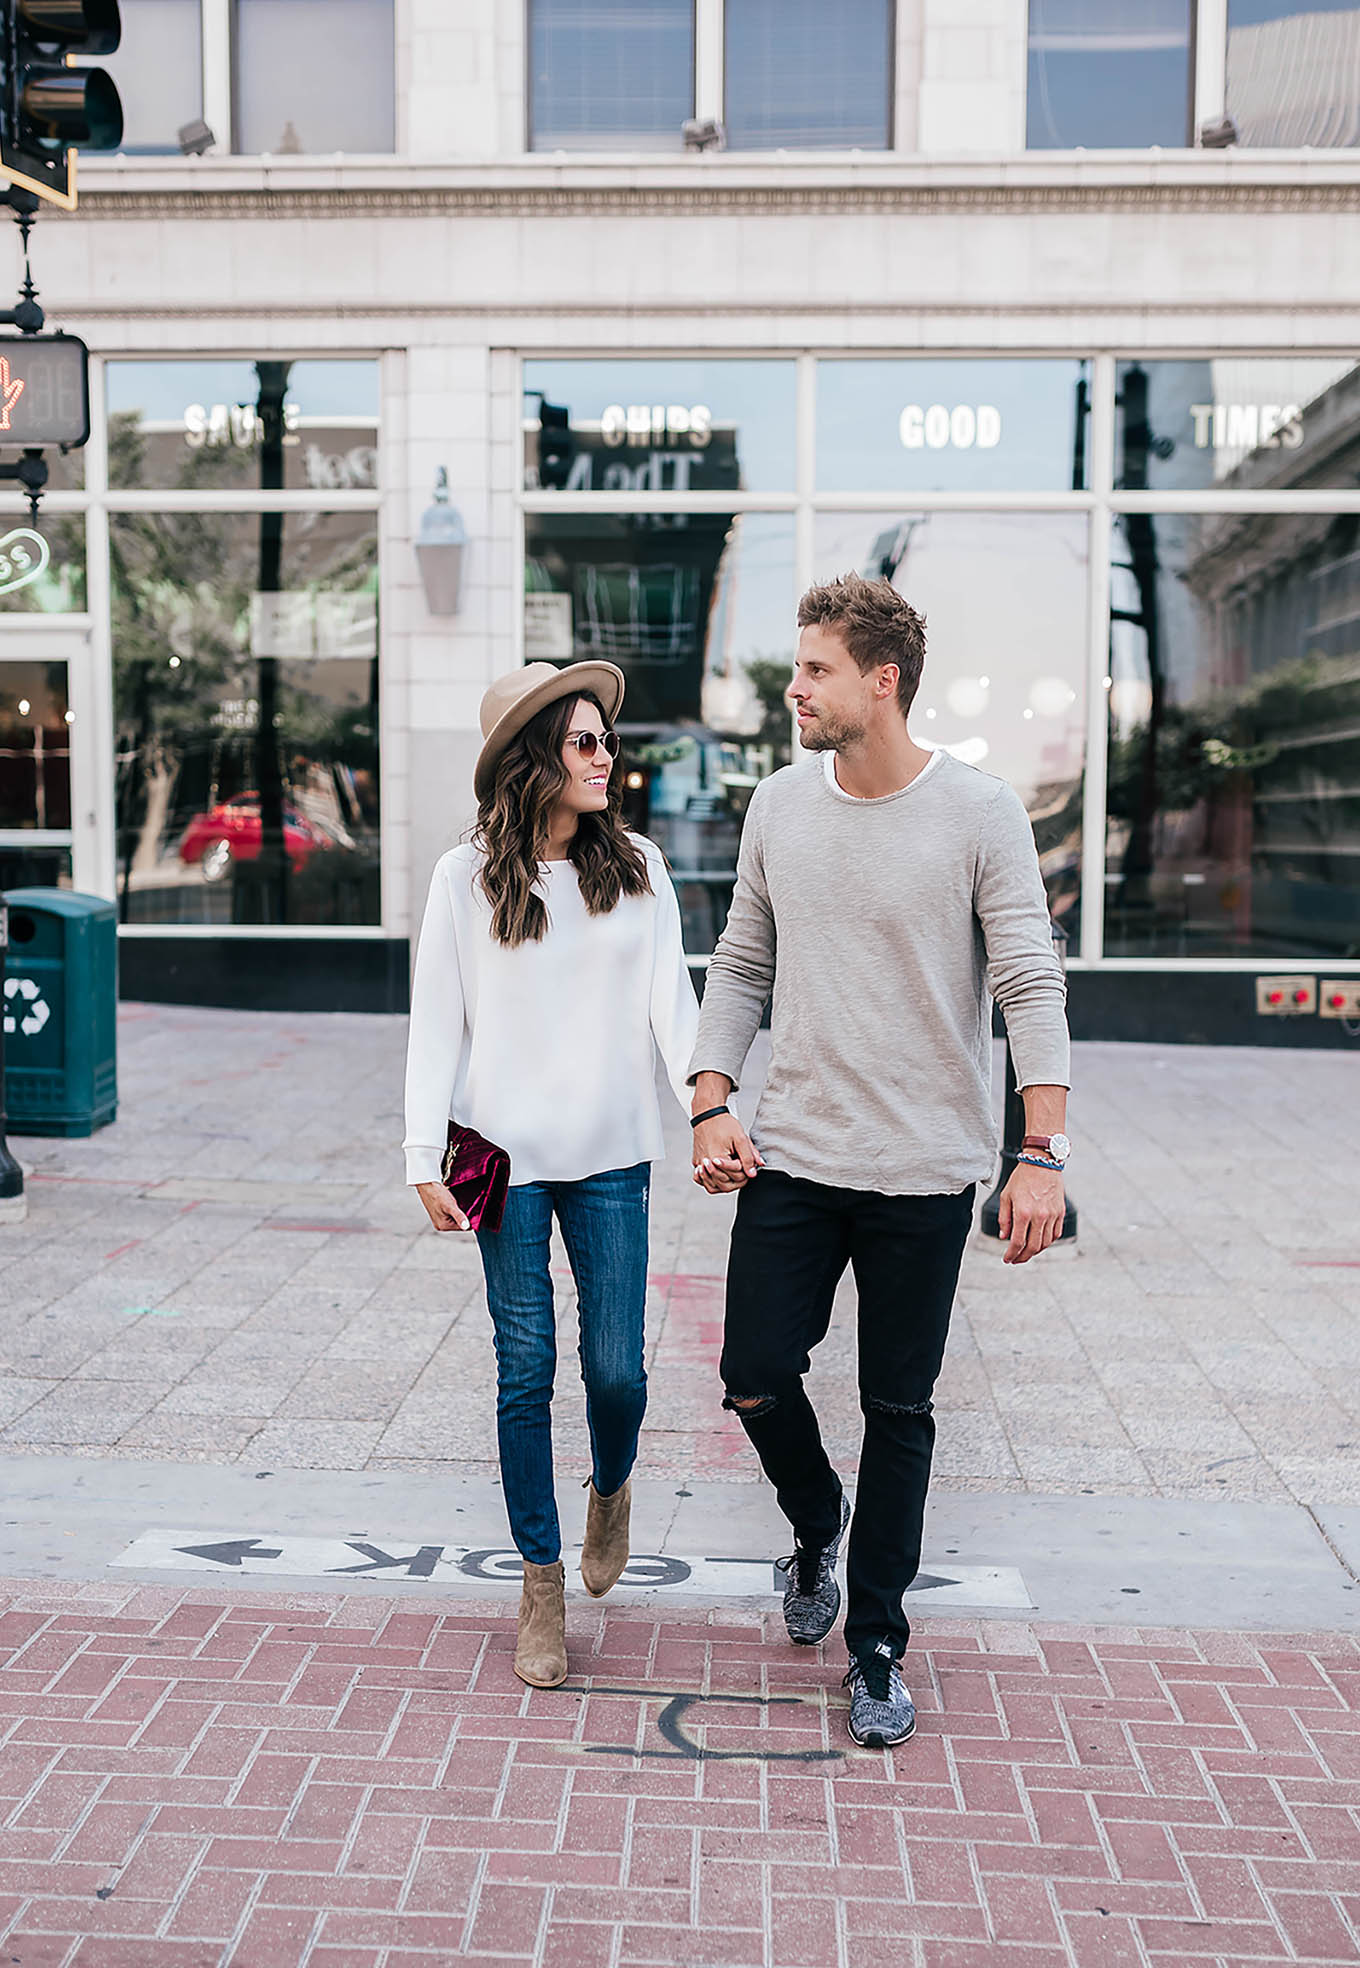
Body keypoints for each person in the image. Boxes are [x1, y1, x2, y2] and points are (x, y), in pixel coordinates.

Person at [688, 574, 1071, 1750]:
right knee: (752, 1372)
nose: (793, 687)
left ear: (881, 681)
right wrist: (710, 1097)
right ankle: (817, 1520)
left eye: (813, 669)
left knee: (899, 1406)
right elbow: (741, 959)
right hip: (795, 1154)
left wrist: (1039, 1151)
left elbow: (1027, 982)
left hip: (922, 1168)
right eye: (797, 668)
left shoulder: (978, 812)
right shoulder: (778, 807)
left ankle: (876, 1647)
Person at [403, 660, 699, 1690]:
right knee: (523, 1373)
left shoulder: (643, 870)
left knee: (615, 1372)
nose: (605, 758)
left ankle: (610, 1487)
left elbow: (675, 1006)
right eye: (582, 743)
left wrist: (710, 1110)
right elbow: (436, 1022)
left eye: (607, 741)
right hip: (504, 1158)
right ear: (532, 758)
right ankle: (540, 1583)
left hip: (613, 1153)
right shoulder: (463, 877)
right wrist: (418, 1156)